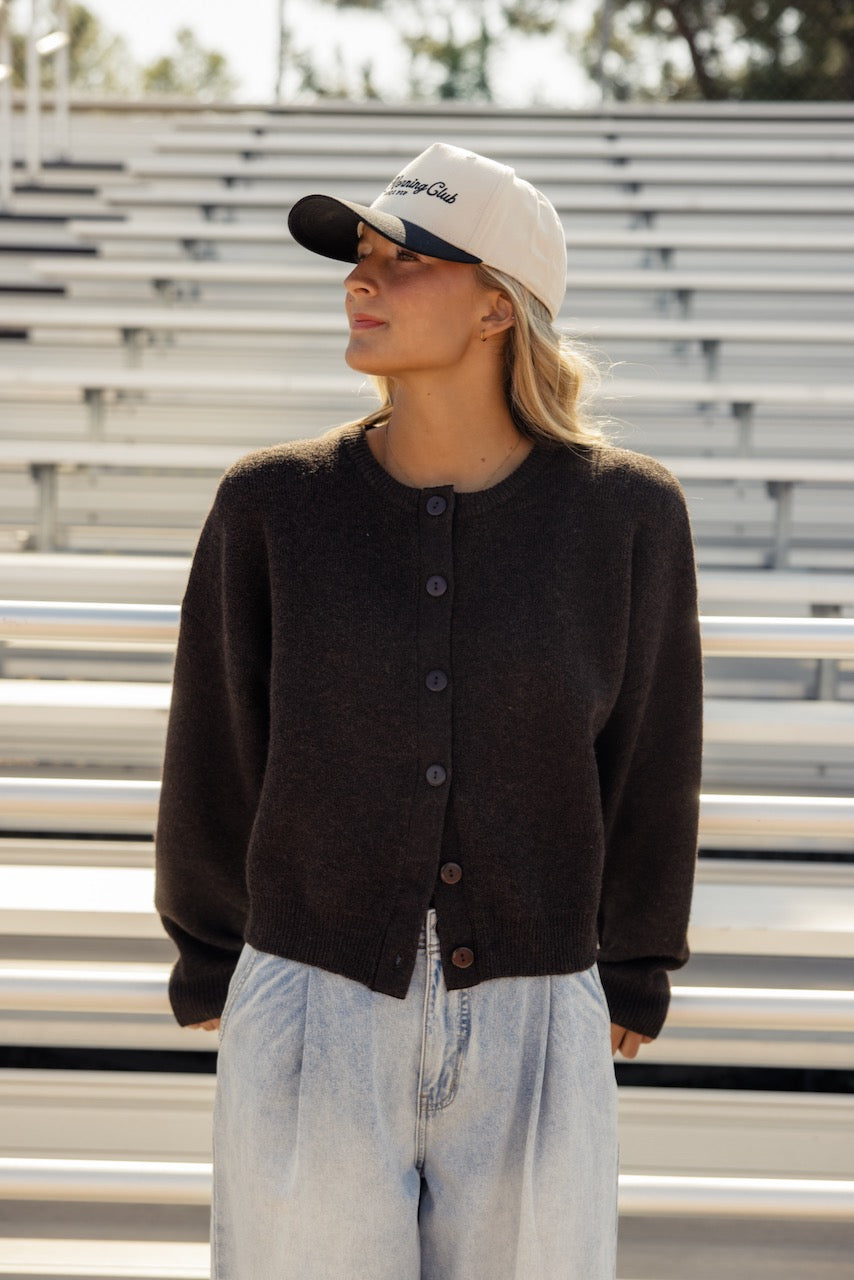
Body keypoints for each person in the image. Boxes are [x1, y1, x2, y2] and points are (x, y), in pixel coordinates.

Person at [153, 141, 704, 1280]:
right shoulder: (271, 507)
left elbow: (650, 752)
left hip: (538, 1006)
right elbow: (215, 743)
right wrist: (211, 955)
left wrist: (635, 961)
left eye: (402, 260)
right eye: (357, 255)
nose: (360, 279)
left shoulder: (624, 516)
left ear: (498, 305)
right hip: (310, 998)